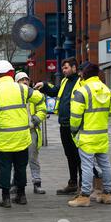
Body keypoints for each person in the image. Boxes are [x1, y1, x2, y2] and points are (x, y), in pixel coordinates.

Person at [0, 61, 45, 208]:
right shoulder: (22, 89)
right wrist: (35, 119)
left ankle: (6, 198)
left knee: (5, 167)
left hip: (3, 138)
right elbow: (40, 99)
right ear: (12, 73)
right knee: (20, 167)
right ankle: (21, 195)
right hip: (22, 137)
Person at [68, 63, 111, 207]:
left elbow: (75, 117)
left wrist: (73, 130)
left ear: (85, 75)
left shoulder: (82, 92)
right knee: (105, 165)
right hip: (102, 135)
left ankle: (85, 196)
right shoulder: (108, 91)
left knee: (86, 166)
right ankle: (107, 194)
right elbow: (110, 111)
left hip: (87, 136)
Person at [34, 57, 82, 195]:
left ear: (74, 67)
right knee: (70, 155)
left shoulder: (81, 82)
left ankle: (82, 185)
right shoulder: (65, 80)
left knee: (79, 156)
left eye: (66, 68)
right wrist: (43, 85)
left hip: (76, 125)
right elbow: (55, 91)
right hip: (64, 124)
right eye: (63, 68)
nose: (64, 70)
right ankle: (73, 183)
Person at [13, 72, 47, 194]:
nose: (25, 82)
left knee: (33, 158)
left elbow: (43, 109)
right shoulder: (12, 95)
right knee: (16, 159)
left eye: (26, 79)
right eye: (22, 80)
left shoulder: (34, 95)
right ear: (16, 82)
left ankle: (37, 183)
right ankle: (15, 183)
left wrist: (35, 119)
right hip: (17, 131)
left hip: (31, 130)